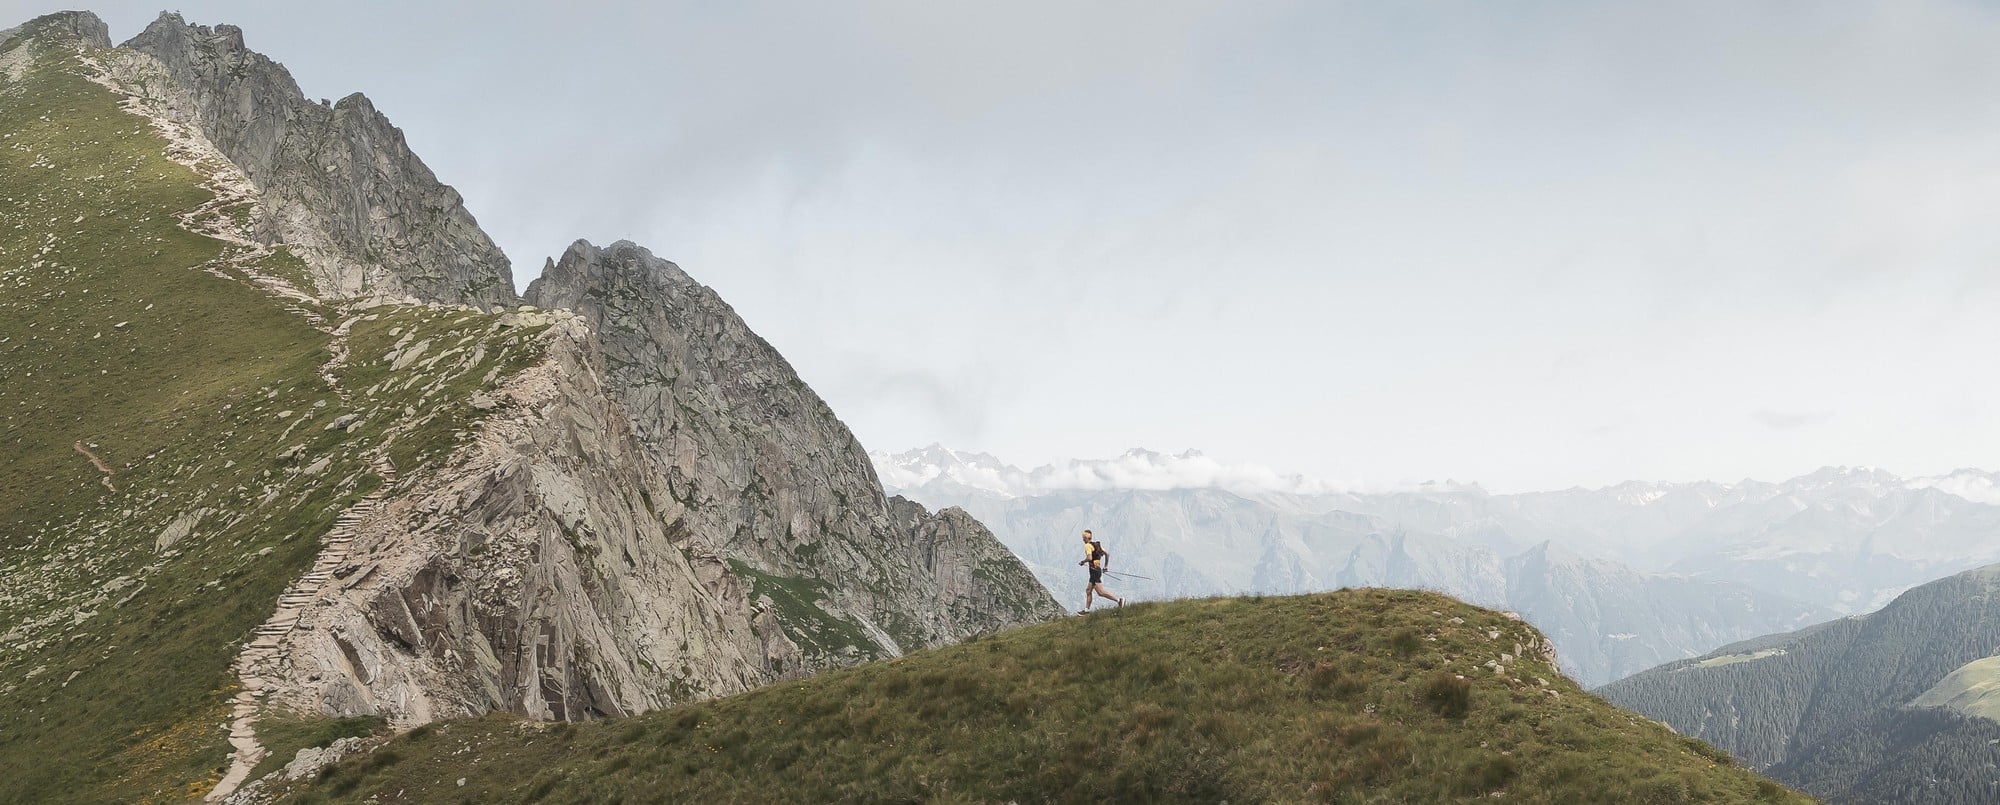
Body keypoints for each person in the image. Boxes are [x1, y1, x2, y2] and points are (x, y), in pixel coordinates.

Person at [1076, 529, 1122, 614]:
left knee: (1101, 592)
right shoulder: (1096, 545)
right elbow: (1107, 554)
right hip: (1096, 570)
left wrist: (1083, 562)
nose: (1082, 539)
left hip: (1094, 572)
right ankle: (1086, 610)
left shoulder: (1087, 546)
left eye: (1083, 538)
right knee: (1088, 591)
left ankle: (1119, 600)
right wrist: (1105, 566)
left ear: (1086, 538)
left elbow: (1089, 558)